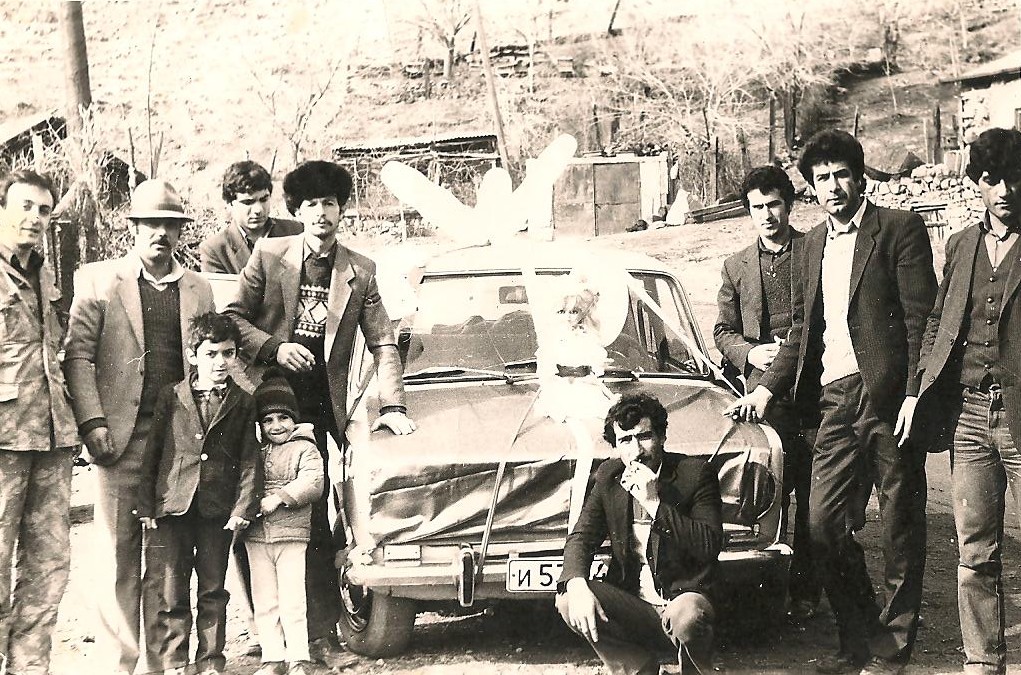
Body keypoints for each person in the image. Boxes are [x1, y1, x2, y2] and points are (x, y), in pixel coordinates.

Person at [724, 130, 937, 675]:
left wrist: (914, 393)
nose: (833, 186)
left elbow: (921, 321)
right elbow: (801, 332)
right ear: (812, 188)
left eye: (841, 174)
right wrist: (766, 387)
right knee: (822, 527)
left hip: (889, 400)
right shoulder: (811, 245)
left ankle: (892, 650)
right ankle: (861, 636)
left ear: (860, 177)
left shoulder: (899, 229)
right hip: (833, 400)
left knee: (900, 526)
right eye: (822, 178)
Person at [224, 160, 415, 664]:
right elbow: (232, 318)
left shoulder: (360, 270)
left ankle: (322, 632)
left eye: (329, 202)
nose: (321, 213)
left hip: (319, 407)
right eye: (310, 204)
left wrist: (392, 404)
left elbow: (383, 341)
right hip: (266, 399)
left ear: (341, 209)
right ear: (297, 210)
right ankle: (266, 633)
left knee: (317, 509)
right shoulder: (269, 256)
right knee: (253, 506)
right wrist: (274, 347)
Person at [64, 178, 216, 674]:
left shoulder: (198, 288)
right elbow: (78, 356)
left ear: (181, 231)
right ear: (133, 227)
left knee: (166, 559)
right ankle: (119, 662)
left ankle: (161, 663)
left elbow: (209, 361)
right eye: (151, 223)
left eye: (170, 225)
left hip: (177, 443)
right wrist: (92, 421)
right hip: (119, 440)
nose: (161, 234)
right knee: (118, 554)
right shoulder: (99, 281)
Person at [916, 127, 1021, 675]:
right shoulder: (960, 245)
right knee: (975, 551)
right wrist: (920, 386)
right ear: (976, 183)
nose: (1004, 190)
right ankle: (982, 663)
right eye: (991, 178)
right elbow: (938, 321)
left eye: (1014, 177)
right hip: (970, 416)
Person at [713, 165, 821, 623]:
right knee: (768, 493)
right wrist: (750, 352)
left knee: (815, 499)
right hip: (761, 400)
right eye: (757, 207)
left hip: (813, 395)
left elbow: (817, 324)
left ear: (788, 205)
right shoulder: (735, 265)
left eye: (774, 204)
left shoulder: (814, 251)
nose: (767, 215)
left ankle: (807, 591)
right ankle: (765, 591)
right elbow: (722, 331)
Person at [556, 392, 724, 675]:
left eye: (644, 437)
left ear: (662, 436)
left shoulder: (695, 473)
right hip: (635, 606)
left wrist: (654, 503)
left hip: (683, 602)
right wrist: (576, 584)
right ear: (615, 446)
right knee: (568, 599)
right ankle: (640, 669)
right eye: (625, 440)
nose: (636, 451)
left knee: (686, 615)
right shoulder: (609, 476)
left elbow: (708, 545)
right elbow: (581, 537)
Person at [137, 312, 259, 675]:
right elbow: (153, 452)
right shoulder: (171, 396)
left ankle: (210, 662)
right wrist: (146, 504)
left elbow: (250, 459)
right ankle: (175, 661)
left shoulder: (243, 401)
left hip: (216, 510)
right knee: (172, 589)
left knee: (213, 589)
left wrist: (242, 508)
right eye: (211, 354)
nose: (220, 362)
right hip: (173, 506)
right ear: (193, 355)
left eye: (228, 353)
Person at [0, 170, 79, 675]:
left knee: (49, 565)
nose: (35, 218)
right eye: (25, 206)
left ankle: (30, 668)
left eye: (44, 210)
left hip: (52, 436)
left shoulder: (47, 273)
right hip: (3, 440)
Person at [246, 369, 326, 675]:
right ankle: (272, 657)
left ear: (294, 418)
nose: (276, 426)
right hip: (257, 536)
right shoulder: (255, 450)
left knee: (293, 599)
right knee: (265, 599)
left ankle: (298, 657)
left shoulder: (305, 448)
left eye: (283, 417)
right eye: (268, 420)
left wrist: (279, 497)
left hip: (291, 535)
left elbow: (313, 482)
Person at [199, 160, 304, 274]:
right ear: (229, 204)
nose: (258, 210)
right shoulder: (215, 250)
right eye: (248, 202)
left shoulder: (296, 232)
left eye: (264, 199)